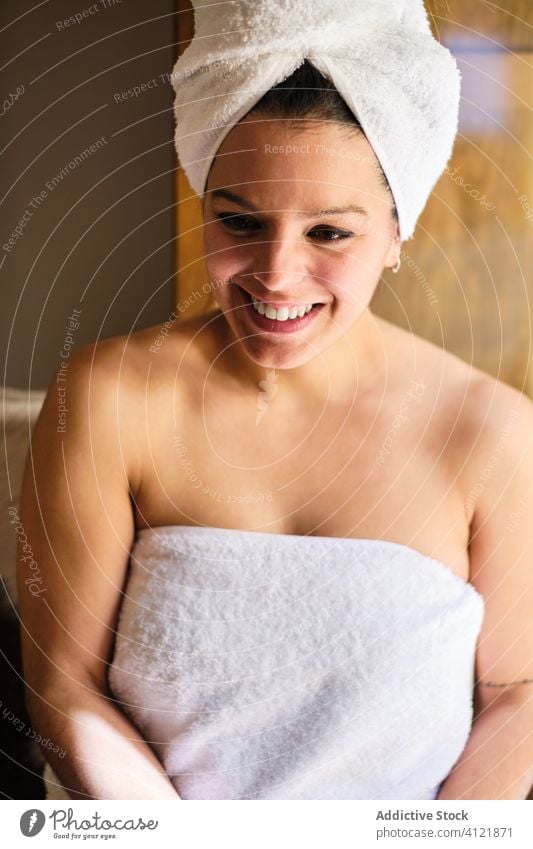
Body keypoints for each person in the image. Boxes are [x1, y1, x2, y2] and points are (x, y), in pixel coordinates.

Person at [18, 2, 533, 801]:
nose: (276, 275)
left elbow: (514, 694)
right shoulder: (105, 398)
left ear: (397, 231)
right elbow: (64, 687)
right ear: (202, 201)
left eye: (329, 232)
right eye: (239, 221)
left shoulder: (491, 432)